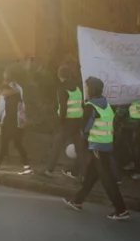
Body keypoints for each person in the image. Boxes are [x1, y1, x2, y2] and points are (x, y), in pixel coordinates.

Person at [63, 77, 130, 219]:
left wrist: (83, 139)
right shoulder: (106, 103)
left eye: (86, 88)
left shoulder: (90, 106)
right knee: (91, 175)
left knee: (107, 179)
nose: (85, 90)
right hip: (106, 144)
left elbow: (86, 129)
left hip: (98, 146)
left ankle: (121, 210)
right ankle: (78, 201)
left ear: (91, 89)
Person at [30, 65, 86, 178]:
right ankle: (84, 173)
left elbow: (63, 107)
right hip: (78, 120)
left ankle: (48, 170)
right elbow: (82, 103)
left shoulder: (61, 87)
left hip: (67, 121)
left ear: (59, 75)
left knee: (56, 145)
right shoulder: (78, 87)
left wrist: (60, 121)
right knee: (80, 148)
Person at [0, 68, 29, 171]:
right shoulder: (19, 89)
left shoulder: (5, 91)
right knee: (17, 143)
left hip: (8, 120)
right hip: (18, 120)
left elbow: (1, 107)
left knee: (4, 142)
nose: (1, 93)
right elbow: (22, 105)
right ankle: (26, 165)